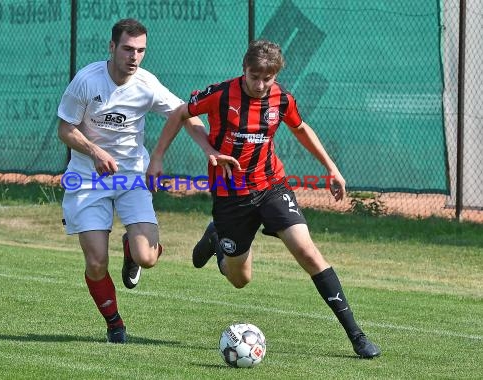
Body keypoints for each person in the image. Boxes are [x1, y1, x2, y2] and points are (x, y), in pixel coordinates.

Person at [147, 39, 381, 358]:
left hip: (272, 186)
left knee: (308, 252)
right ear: (244, 70)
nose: (259, 84)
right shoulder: (220, 94)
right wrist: (160, 156)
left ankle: (357, 337)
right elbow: (179, 114)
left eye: (266, 78)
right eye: (254, 76)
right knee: (240, 280)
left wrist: (331, 168)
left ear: (275, 75)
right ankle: (218, 237)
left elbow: (301, 129)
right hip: (231, 196)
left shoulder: (282, 99)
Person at [57, 18, 203, 343]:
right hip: (86, 179)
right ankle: (115, 324)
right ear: (112, 48)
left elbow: (184, 112)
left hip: (131, 177)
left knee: (147, 258)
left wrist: (210, 148)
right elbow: (64, 128)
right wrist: (94, 150)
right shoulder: (86, 81)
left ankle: (131, 248)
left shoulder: (147, 84)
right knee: (96, 261)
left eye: (140, 50)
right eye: (127, 49)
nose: (134, 57)